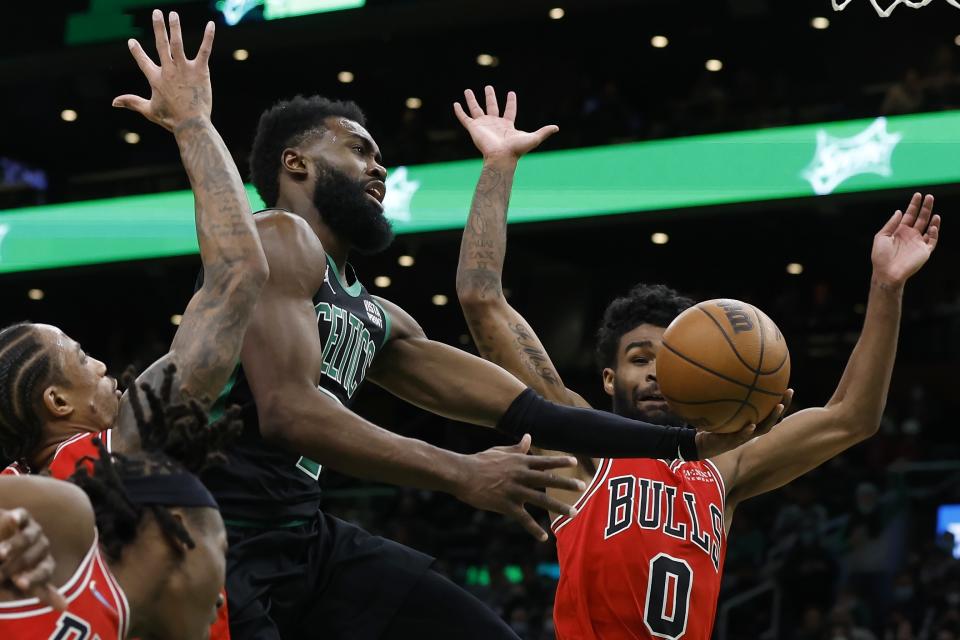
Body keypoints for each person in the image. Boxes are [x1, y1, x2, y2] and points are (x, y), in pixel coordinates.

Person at [203, 88, 770, 639]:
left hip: (302, 535)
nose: (379, 167)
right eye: (359, 150)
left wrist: (689, 445)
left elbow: (533, 412)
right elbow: (289, 413)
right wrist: (461, 472)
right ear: (295, 162)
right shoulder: (273, 237)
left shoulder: (377, 316)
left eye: (379, 155)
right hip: (219, 535)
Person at [453, 85, 941, 639]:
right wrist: (498, 164)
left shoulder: (722, 470)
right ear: (609, 376)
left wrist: (886, 288)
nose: (658, 372)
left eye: (673, 360)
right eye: (641, 359)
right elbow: (481, 299)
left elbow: (852, 416)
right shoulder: (578, 452)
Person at [0, 10, 264, 638]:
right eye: (79, 353)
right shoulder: (114, 450)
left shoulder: (14, 496)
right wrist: (193, 122)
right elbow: (236, 277)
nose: (100, 365)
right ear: (56, 400)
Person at [0, 367, 240, 640]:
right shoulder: (65, 523)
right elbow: (188, 366)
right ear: (178, 534)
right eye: (222, 549)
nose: (221, 599)